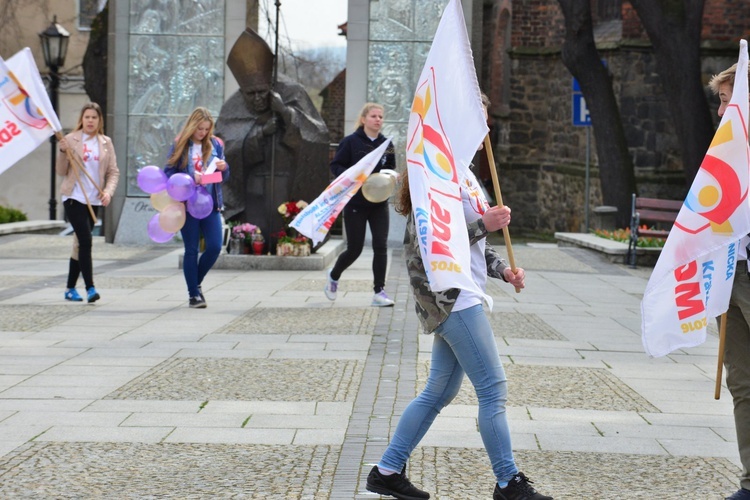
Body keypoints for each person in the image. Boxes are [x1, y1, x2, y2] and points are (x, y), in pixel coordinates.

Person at [365, 97, 552, 500]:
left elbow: (475, 241)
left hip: (466, 290)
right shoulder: (432, 172)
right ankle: (508, 483)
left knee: (439, 391)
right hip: (449, 297)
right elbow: (429, 242)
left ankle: (387, 470)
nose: (486, 124)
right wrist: (483, 223)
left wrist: (502, 270)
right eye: (479, 116)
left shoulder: (464, 173)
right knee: (493, 388)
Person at [215, 28, 330, 238]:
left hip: (286, 184)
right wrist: (259, 133)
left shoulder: (292, 92)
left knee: (282, 232)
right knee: (256, 234)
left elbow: (318, 136)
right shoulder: (233, 107)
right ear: (243, 92)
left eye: (262, 92)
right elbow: (225, 149)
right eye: (251, 94)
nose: (258, 98)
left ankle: (292, 244)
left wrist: (285, 113)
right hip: (252, 187)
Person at [709, 63, 750, 500]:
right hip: (730, 275)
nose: (721, 111)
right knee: (742, 382)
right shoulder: (726, 152)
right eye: (721, 100)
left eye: (727, 100)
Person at [324, 103, 397, 307]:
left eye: (381, 116)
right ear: (364, 119)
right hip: (355, 202)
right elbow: (336, 165)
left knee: (380, 246)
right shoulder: (350, 142)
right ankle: (334, 275)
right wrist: (351, 177)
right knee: (354, 248)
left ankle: (379, 292)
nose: (378, 120)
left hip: (379, 202)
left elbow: (390, 168)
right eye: (374, 116)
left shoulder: (387, 144)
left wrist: (392, 176)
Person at [164, 107, 229, 309]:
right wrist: (191, 178)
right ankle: (194, 295)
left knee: (215, 246)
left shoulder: (215, 145)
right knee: (191, 249)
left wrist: (224, 168)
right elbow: (169, 173)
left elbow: (224, 177)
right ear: (192, 125)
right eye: (199, 128)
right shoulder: (181, 145)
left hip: (210, 204)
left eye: (206, 129)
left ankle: (195, 282)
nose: (202, 132)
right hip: (187, 205)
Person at [57, 102, 119, 304]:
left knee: (78, 244)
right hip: (73, 197)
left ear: (99, 120)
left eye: (94, 117)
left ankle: (69, 288)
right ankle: (90, 287)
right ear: (81, 119)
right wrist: (62, 152)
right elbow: (60, 171)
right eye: (87, 117)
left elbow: (113, 172)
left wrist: (108, 192)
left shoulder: (105, 142)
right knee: (85, 240)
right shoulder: (70, 140)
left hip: (94, 199)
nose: (90, 121)